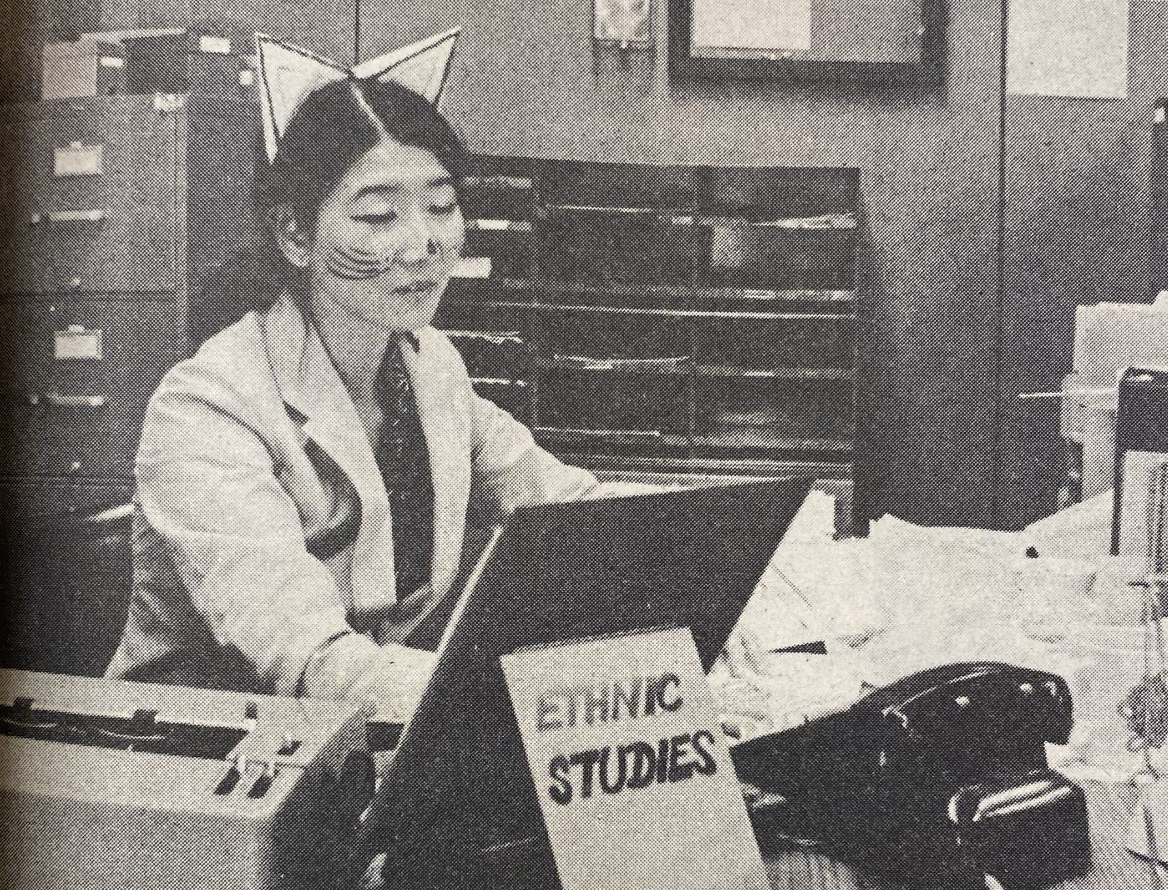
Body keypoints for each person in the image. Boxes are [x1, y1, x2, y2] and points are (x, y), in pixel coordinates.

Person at [105, 78, 618, 721]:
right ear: (295, 235)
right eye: (379, 216)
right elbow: (311, 658)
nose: (422, 244)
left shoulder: (431, 370)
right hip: (200, 754)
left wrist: (702, 583)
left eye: (441, 206)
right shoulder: (207, 408)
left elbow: (572, 506)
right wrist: (536, 702)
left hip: (367, 732)